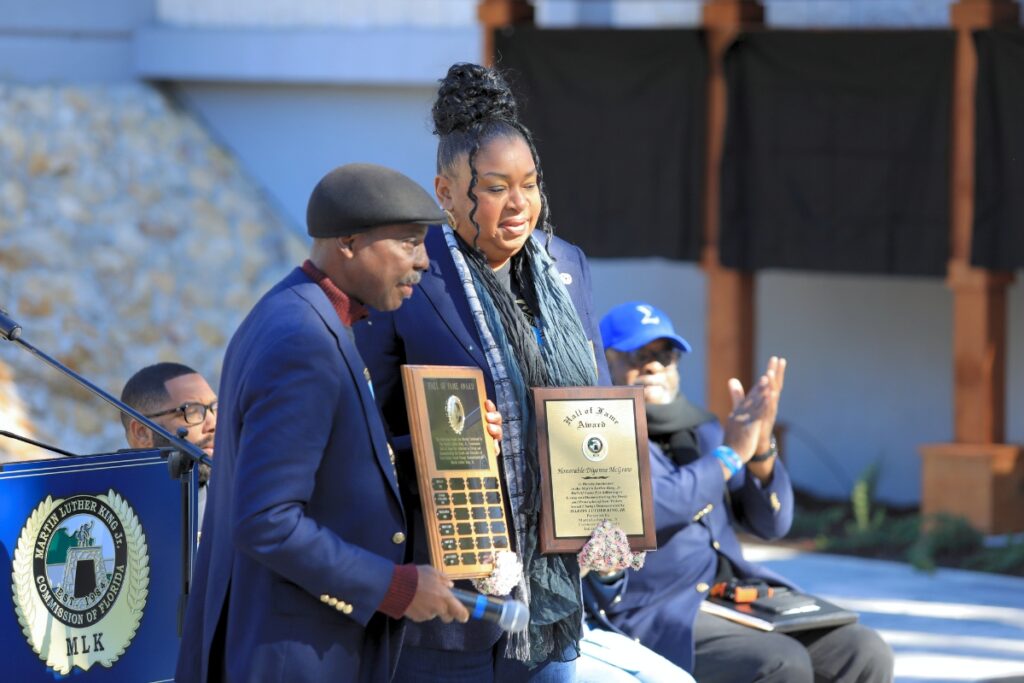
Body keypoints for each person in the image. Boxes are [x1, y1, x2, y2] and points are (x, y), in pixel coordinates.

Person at [354, 63, 768, 681]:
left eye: (530, 183)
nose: (519, 204)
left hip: (551, 593)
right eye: (494, 187)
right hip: (451, 585)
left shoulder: (564, 262)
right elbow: (362, 430)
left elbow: (592, 404)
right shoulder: (410, 272)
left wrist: (611, 525)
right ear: (446, 192)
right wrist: (444, 444)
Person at [174, 163, 480, 683]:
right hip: (292, 657)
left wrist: (442, 443)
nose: (424, 261)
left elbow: (332, 456)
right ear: (349, 241)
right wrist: (394, 586)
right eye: (408, 243)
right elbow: (266, 520)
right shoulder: (302, 339)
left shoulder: (299, 311)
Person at [586, 301, 894, 683]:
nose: (653, 366)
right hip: (657, 610)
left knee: (864, 650)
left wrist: (761, 450)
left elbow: (772, 524)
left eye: (665, 355)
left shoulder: (705, 431)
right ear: (602, 360)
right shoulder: (596, 436)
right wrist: (731, 455)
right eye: (637, 354)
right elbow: (652, 507)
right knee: (781, 661)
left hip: (729, 595)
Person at [120, 362, 216, 527]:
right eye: (192, 411)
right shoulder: (110, 516)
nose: (213, 423)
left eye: (215, 408)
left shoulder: (243, 501)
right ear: (142, 433)